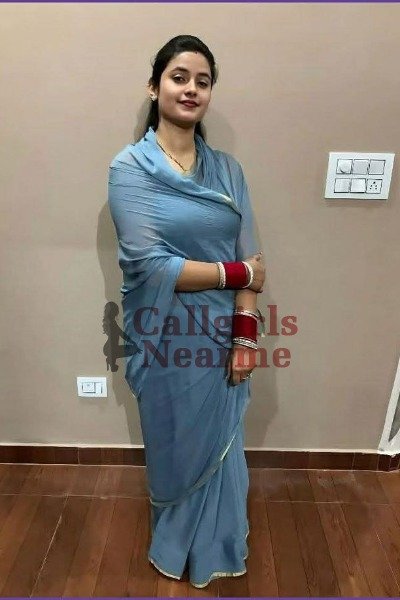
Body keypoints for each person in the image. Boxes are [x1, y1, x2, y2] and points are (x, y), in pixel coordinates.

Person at [108, 34, 266, 589]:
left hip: (223, 333)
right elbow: (149, 265)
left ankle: (218, 543)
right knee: (175, 443)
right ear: (155, 88)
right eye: (179, 78)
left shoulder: (228, 171)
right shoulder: (131, 168)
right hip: (165, 334)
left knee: (223, 445)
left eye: (203, 81)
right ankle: (175, 543)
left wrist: (245, 337)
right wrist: (235, 274)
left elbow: (254, 259)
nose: (191, 89)